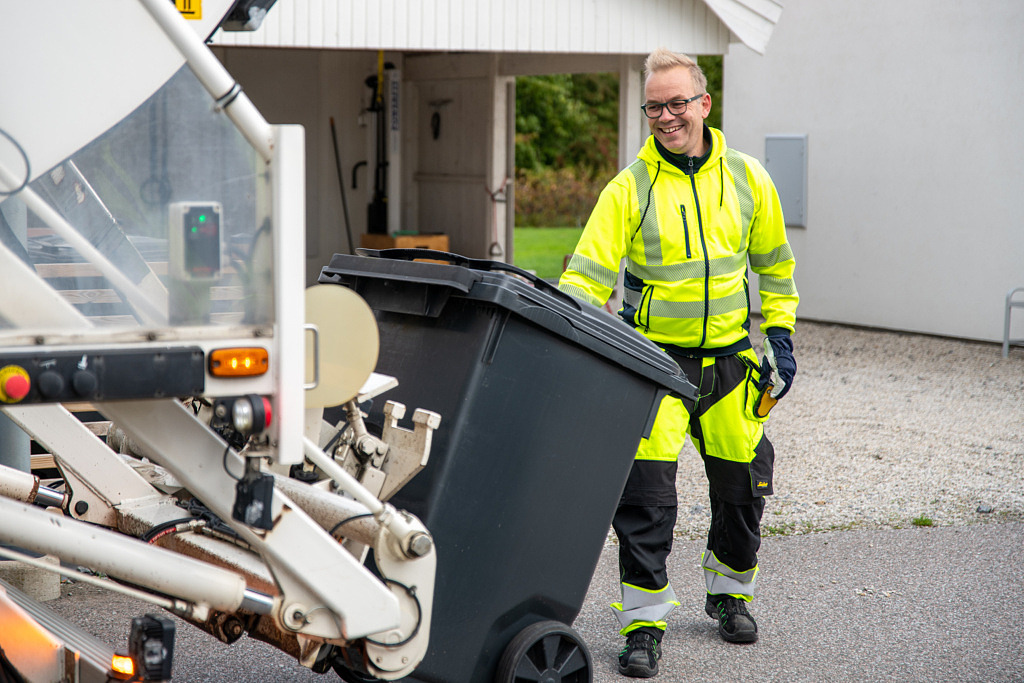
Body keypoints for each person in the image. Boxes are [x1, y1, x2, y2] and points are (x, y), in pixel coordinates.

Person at [558, 48, 798, 678]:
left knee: (744, 487)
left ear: (704, 104)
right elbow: (585, 278)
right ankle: (642, 623)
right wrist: (576, 344)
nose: (665, 117)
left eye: (676, 103)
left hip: (731, 363)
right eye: (654, 106)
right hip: (653, 366)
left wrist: (782, 337)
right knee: (645, 497)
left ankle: (730, 594)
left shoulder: (748, 179)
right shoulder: (628, 188)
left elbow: (775, 268)